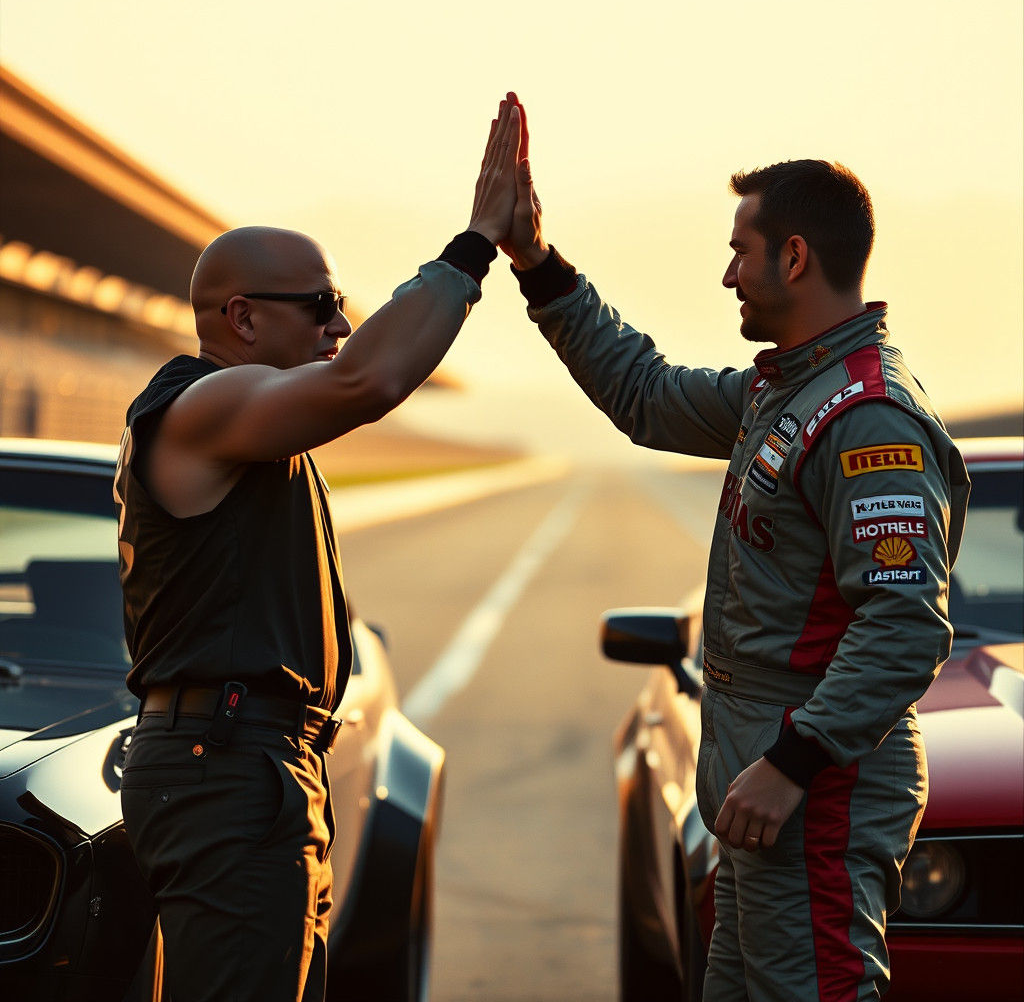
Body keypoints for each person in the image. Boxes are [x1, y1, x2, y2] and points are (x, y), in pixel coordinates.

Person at [500, 114, 969, 1001]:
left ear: (794, 258)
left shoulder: (867, 419)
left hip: (813, 793)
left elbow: (906, 623)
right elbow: (643, 391)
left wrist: (792, 764)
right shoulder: (783, 388)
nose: (727, 274)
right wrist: (537, 262)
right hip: (763, 791)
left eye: (739, 250)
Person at [113, 94, 522, 1002]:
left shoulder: (252, 431)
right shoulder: (202, 404)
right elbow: (368, 378)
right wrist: (475, 245)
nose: (341, 325)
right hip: (225, 767)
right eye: (325, 307)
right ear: (244, 319)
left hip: (246, 763)